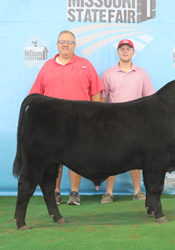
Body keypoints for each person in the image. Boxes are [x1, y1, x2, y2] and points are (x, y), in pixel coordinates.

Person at [29, 30, 104, 206]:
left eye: (69, 42)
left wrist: (95, 119)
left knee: (76, 158)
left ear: (74, 45)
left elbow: (96, 94)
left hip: (80, 123)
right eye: (62, 41)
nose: (65, 44)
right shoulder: (47, 67)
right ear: (57, 45)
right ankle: (55, 192)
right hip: (52, 124)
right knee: (53, 159)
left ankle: (74, 193)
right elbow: (35, 96)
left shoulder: (85, 65)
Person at [99, 39, 155, 204]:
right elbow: (102, 99)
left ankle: (137, 191)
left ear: (133, 52)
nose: (125, 51)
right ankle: (108, 193)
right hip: (114, 122)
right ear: (118, 52)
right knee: (111, 156)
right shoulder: (108, 74)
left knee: (137, 157)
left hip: (136, 122)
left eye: (128, 49)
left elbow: (150, 98)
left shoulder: (142, 73)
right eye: (122, 49)